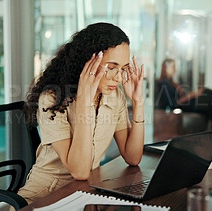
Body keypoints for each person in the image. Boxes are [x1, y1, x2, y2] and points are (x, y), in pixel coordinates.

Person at [19, 22, 145, 204]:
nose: (118, 78)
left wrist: (138, 102)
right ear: (88, 62)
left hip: (84, 192)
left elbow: (133, 157)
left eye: (123, 68)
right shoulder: (52, 98)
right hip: (44, 195)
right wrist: (85, 103)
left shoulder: (114, 96)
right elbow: (79, 171)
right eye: (111, 68)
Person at [155, 58, 212, 129]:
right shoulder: (164, 83)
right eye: (173, 67)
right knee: (209, 94)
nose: (175, 69)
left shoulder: (172, 82)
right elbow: (175, 103)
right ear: (166, 68)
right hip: (183, 106)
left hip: (186, 103)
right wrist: (193, 94)